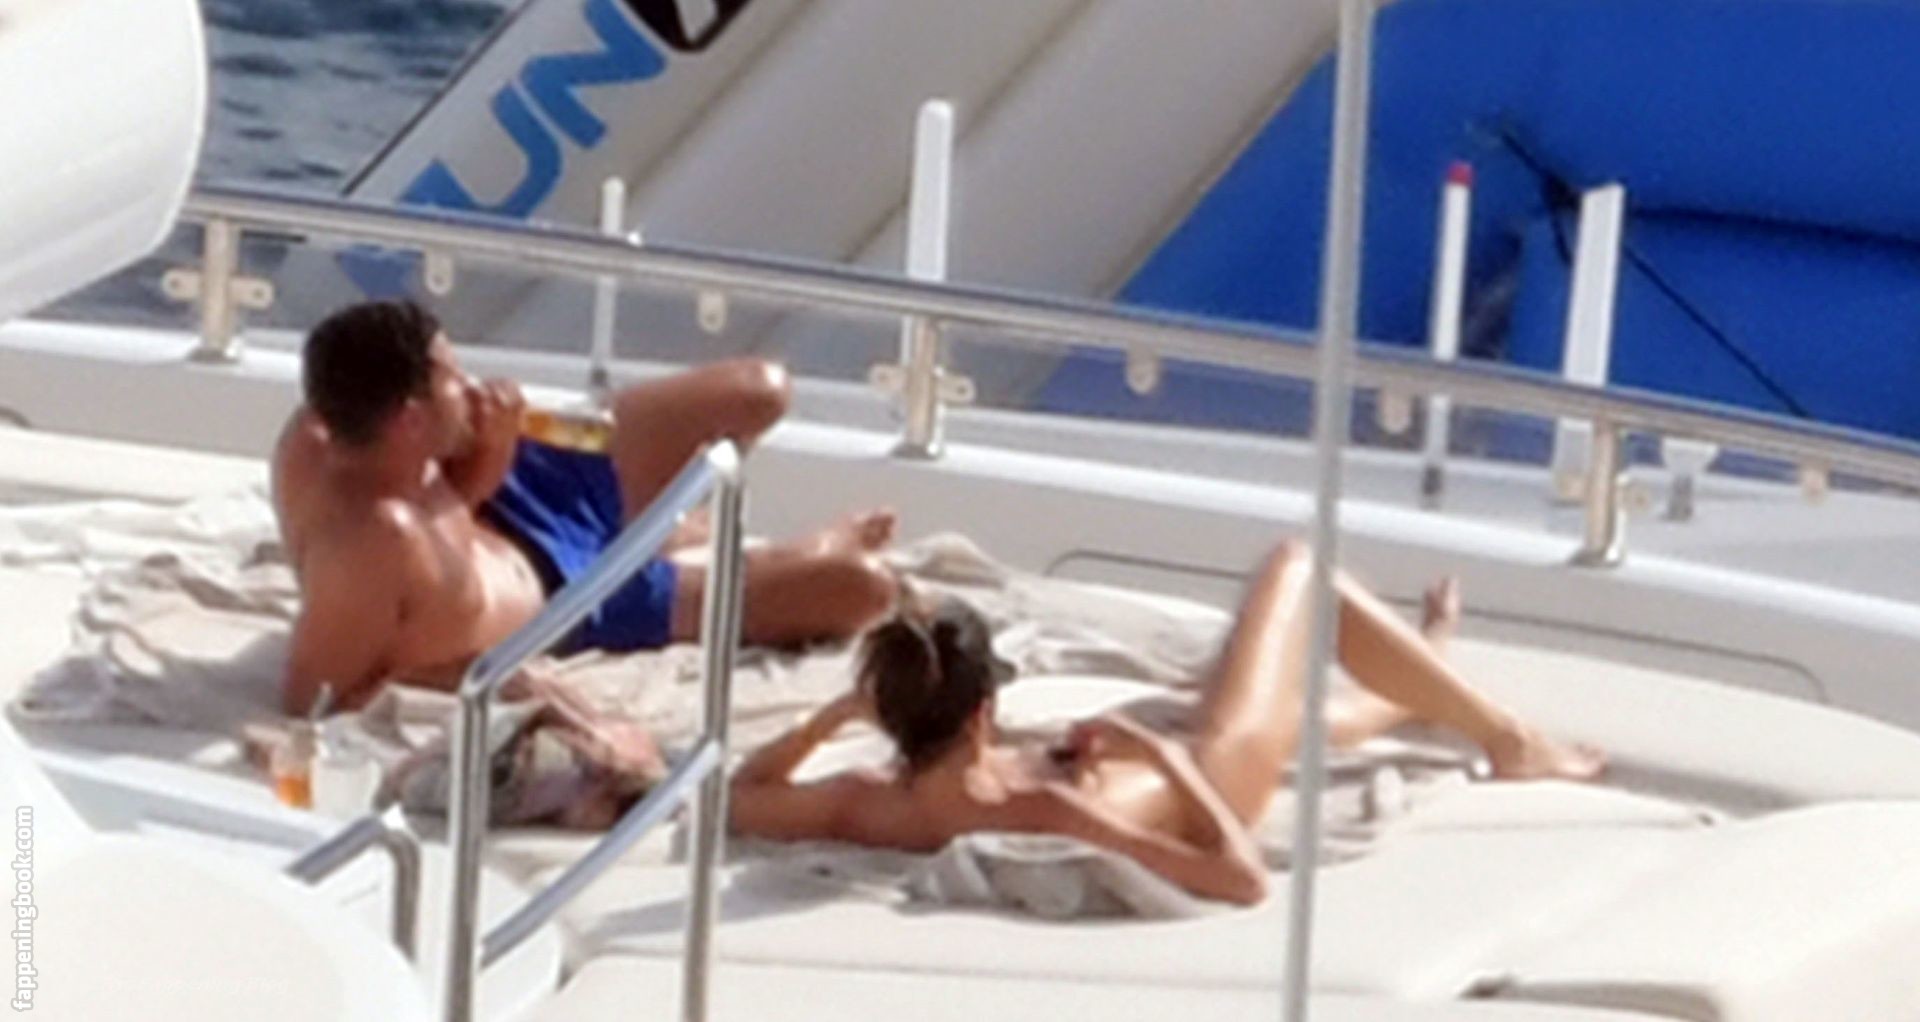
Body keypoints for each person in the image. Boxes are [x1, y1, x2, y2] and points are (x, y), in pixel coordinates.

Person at [729, 541, 1605, 905]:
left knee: (1288, 707)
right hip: (1212, 772)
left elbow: (743, 794)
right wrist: (1160, 755)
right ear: (984, 708)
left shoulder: (868, 801)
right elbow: (1239, 879)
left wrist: (828, 718)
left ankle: (1421, 675)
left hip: (1152, 760)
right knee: (1298, 569)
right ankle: (1507, 738)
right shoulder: (1046, 809)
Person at [271, 299, 899, 715]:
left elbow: (447, 522)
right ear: (410, 420)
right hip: (576, 599)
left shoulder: (355, 434)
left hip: (520, 493)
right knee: (863, 587)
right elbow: (312, 701)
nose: (471, 388)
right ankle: (787, 545)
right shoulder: (373, 536)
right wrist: (474, 677)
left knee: (761, 390)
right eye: (454, 381)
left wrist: (487, 456)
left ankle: (666, 532)